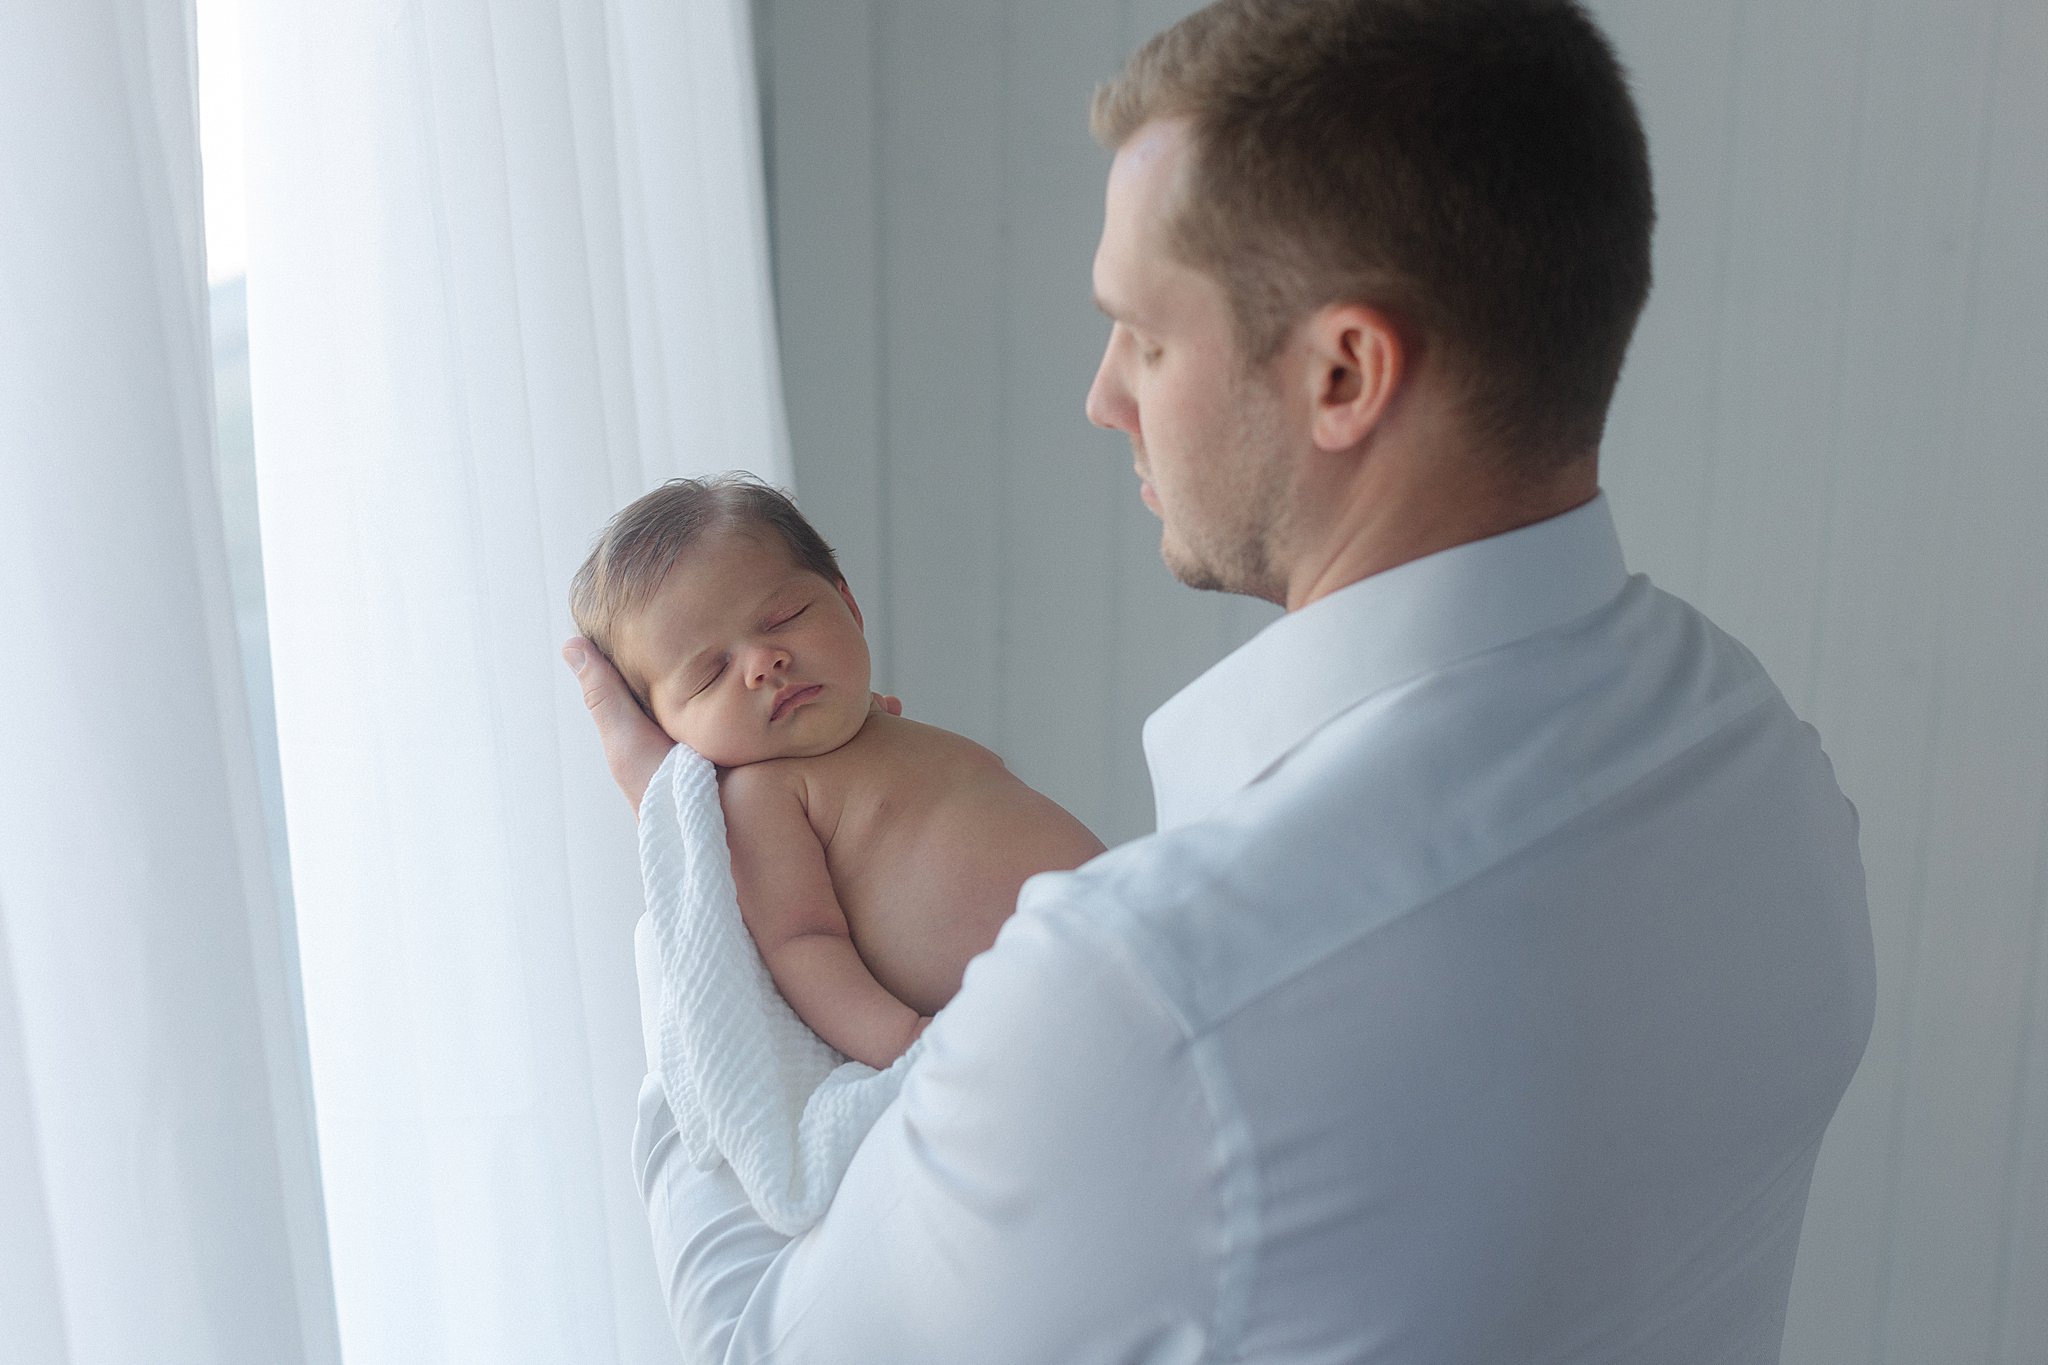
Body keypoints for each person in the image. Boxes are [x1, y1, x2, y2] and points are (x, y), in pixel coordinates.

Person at [564, 0, 1876, 1358]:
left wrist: (690, 872)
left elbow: (753, 1343)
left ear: (1344, 373)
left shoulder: (1153, 1002)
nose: (1103, 396)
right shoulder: (1770, 767)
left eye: (1143, 335)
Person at [566, 474, 1104, 1070]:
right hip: (1011, 1032)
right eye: (708, 675)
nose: (763, 663)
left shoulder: (881, 729)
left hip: (1116, 939)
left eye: (785, 616)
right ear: (667, 730)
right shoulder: (761, 796)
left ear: (848, 606)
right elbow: (802, 944)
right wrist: (907, 1044)